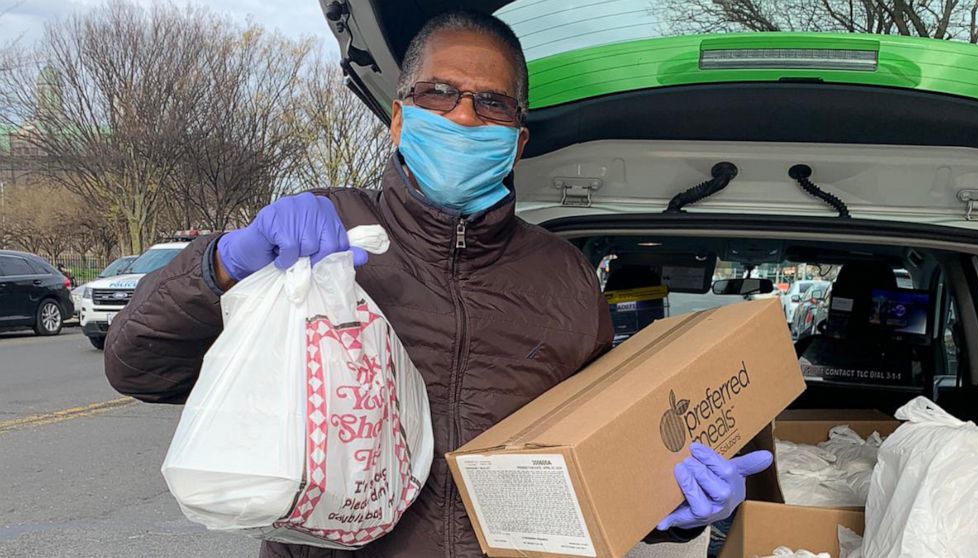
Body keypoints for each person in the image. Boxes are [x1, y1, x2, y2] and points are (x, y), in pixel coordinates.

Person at [104, 10, 771, 558]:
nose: (462, 117)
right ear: (399, 119)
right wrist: (227, 259)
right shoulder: (320, 239)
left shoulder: (564, 278)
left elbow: (597, 464)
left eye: (491, 103)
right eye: (438, 94)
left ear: (517, 139)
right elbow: (139, 365)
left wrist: (674, 510)